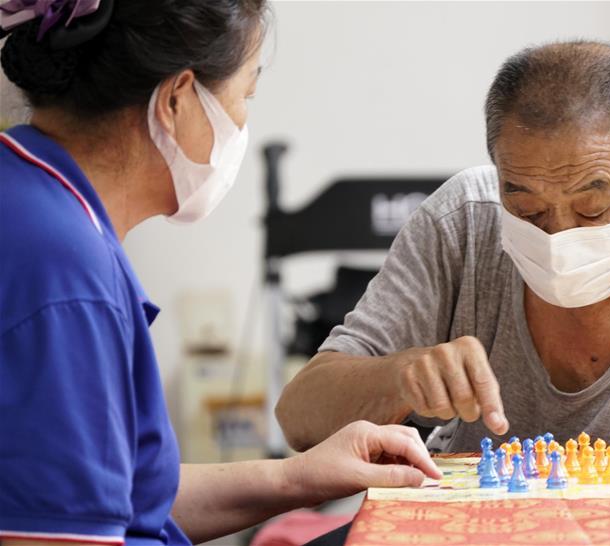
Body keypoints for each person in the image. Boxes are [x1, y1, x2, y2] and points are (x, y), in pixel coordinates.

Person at [0, 2, 439, 545]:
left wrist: (297, 478)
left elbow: (126, 501)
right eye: (243, 96)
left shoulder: (28, 195)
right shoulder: (65, 277)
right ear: (178, 99)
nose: (242, 122)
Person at [277, 40, 610, 452]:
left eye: (593, 210)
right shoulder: (463, 225)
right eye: (526, 210)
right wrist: (400, 377)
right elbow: (299, 418)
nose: (557, 241)